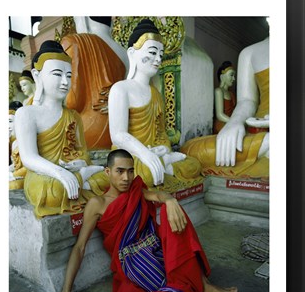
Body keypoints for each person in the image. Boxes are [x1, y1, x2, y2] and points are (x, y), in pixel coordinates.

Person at [45, 149, 245, 292]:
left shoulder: (136, 191)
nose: (126, 178)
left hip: (157, 249)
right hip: (131, 263)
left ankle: (204, 285)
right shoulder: (97, 204)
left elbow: (158, 194)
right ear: (107, 172)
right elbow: (79, 248)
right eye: (120, 171)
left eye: (130, 171)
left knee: (170, 210)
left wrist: (170, 200)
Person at [15, 40, 109, 218]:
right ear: (37, 75)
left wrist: (80, 163)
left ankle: (80, 179)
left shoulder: (73, 116)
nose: (65, 82)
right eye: (57, 74)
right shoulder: (26, 113)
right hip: (45, 174)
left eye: (69, 75)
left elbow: (82, 151)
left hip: (74, 169)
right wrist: (60, 173)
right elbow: (29, 157)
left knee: (107, 178)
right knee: (53, 192)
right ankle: (81, 181)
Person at [108, 19, 202, 192]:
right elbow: (118, 135)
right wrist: (145, 153)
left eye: (160, 54)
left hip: (154, 154)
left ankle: (163, 164)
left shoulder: (156, 94)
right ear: (132, 53)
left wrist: (163, 148)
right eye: (152, 52)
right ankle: (162, 165)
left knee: (194, 165)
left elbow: (161, 133)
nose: (158, 59)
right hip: (131, 155)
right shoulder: (121, 89)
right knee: (143, 174)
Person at [181, 37, 269, 179]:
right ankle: (268, 145)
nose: (233, 79)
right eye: (231, 75)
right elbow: (247, 101)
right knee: (189, 150)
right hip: (253, 131)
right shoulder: (250, 53)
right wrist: (236, 121)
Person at [61, 17, 128, 150]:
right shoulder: (125, 52)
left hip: (87, 133)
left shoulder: (73, 42)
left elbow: (73, 102)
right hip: (122, 129)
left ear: (82, 19)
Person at [213, 61, 236, 134]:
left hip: (231, 122)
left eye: (234, 76)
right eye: (231, 75)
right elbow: (219, 115)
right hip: (222, 124)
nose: (234, 79)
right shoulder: (219, 91)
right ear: (222, 77)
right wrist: (234, 122)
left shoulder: (231, 93)